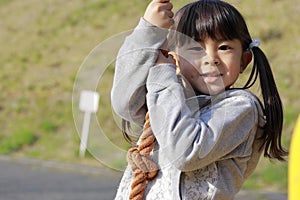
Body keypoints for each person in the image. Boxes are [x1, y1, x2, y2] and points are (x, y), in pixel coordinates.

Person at [111, 0, 287, 199]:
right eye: (195, 48)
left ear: (244, 60)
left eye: (224, 47)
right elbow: (125, 102)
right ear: (174, 56)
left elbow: (185, 152)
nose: (210, 58)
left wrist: (163, 76)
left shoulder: (241, 108)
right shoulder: (170, 94)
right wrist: (148, 32)